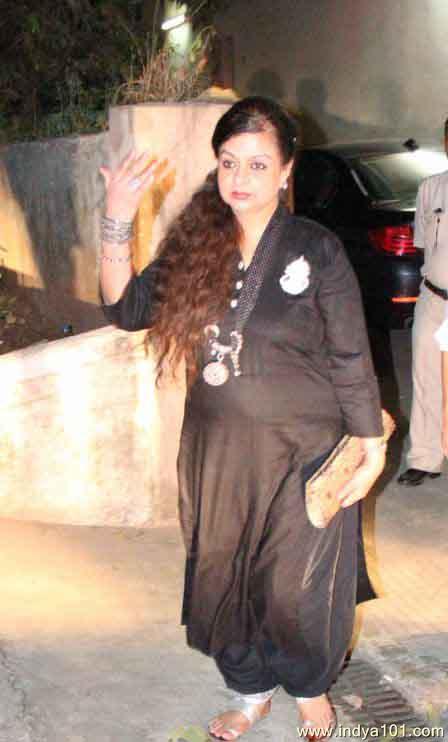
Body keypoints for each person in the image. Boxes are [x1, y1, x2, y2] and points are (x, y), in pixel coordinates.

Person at [99, 97, 385, 741]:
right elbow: (126, 308)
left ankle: (309, 686)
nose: (240, 177)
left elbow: (350, 353)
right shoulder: (196, 245)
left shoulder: (316, 248)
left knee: (294, 587)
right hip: (217, 453)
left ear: (286, 171)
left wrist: (370, 445)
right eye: (229, 162)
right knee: (223, 574)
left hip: (304, 451)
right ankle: (251, 691)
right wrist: (118, 217)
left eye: (257, 164)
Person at [398, 118, 448, 487]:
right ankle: (426, 458)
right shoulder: (431, 189)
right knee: (426, 377)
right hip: (434, 297)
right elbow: (422, 246)